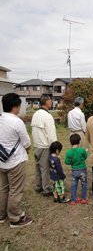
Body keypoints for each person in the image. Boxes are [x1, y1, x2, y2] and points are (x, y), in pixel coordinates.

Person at [0, 93, 32, 228]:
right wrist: (28, 149)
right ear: (14, 107)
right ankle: (15, 218)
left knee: (3, 188)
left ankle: (2, 215)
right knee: (15, 190)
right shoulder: (16, 121)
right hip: (15, 161)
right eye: (19, 106)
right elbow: (26, 142)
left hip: (1, 160)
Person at [31, 94, 57, 196]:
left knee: (38, 167)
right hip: (45, 146)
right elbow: (51, 133)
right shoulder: (47, 116)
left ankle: (38, 186)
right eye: (50, 101)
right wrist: (54, 147)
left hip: (37, 145)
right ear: (46, 102)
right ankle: (46, 189)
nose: (51, 103)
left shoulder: (35, 114)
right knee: (45, 168)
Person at [65, 134, 88, 205]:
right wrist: (86, 151)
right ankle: (83, 199)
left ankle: (73, 200)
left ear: (70, 142)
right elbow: (85, 157)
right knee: (84, 184)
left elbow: (66, 162)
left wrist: (72, 162)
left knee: (74, 185)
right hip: (83, 170)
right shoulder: (82, 150)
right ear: (79, 142)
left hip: (74, 171)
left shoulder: (69, 152)